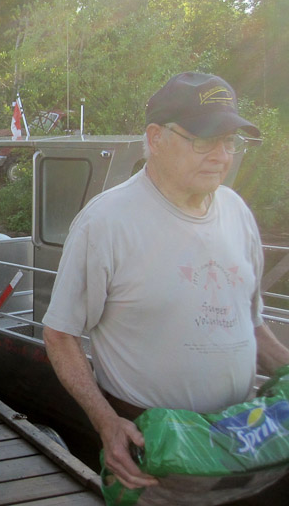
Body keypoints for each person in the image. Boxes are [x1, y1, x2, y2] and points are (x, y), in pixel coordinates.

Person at [41, 72, 289, 491]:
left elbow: (251, 322)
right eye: (204, 140)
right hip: (154, 454)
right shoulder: (106, 223)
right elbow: (59, 334)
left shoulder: (237, 212)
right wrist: (106, 423)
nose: (221, 156)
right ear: (156, 138)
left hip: (243, 438)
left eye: (230, 141)